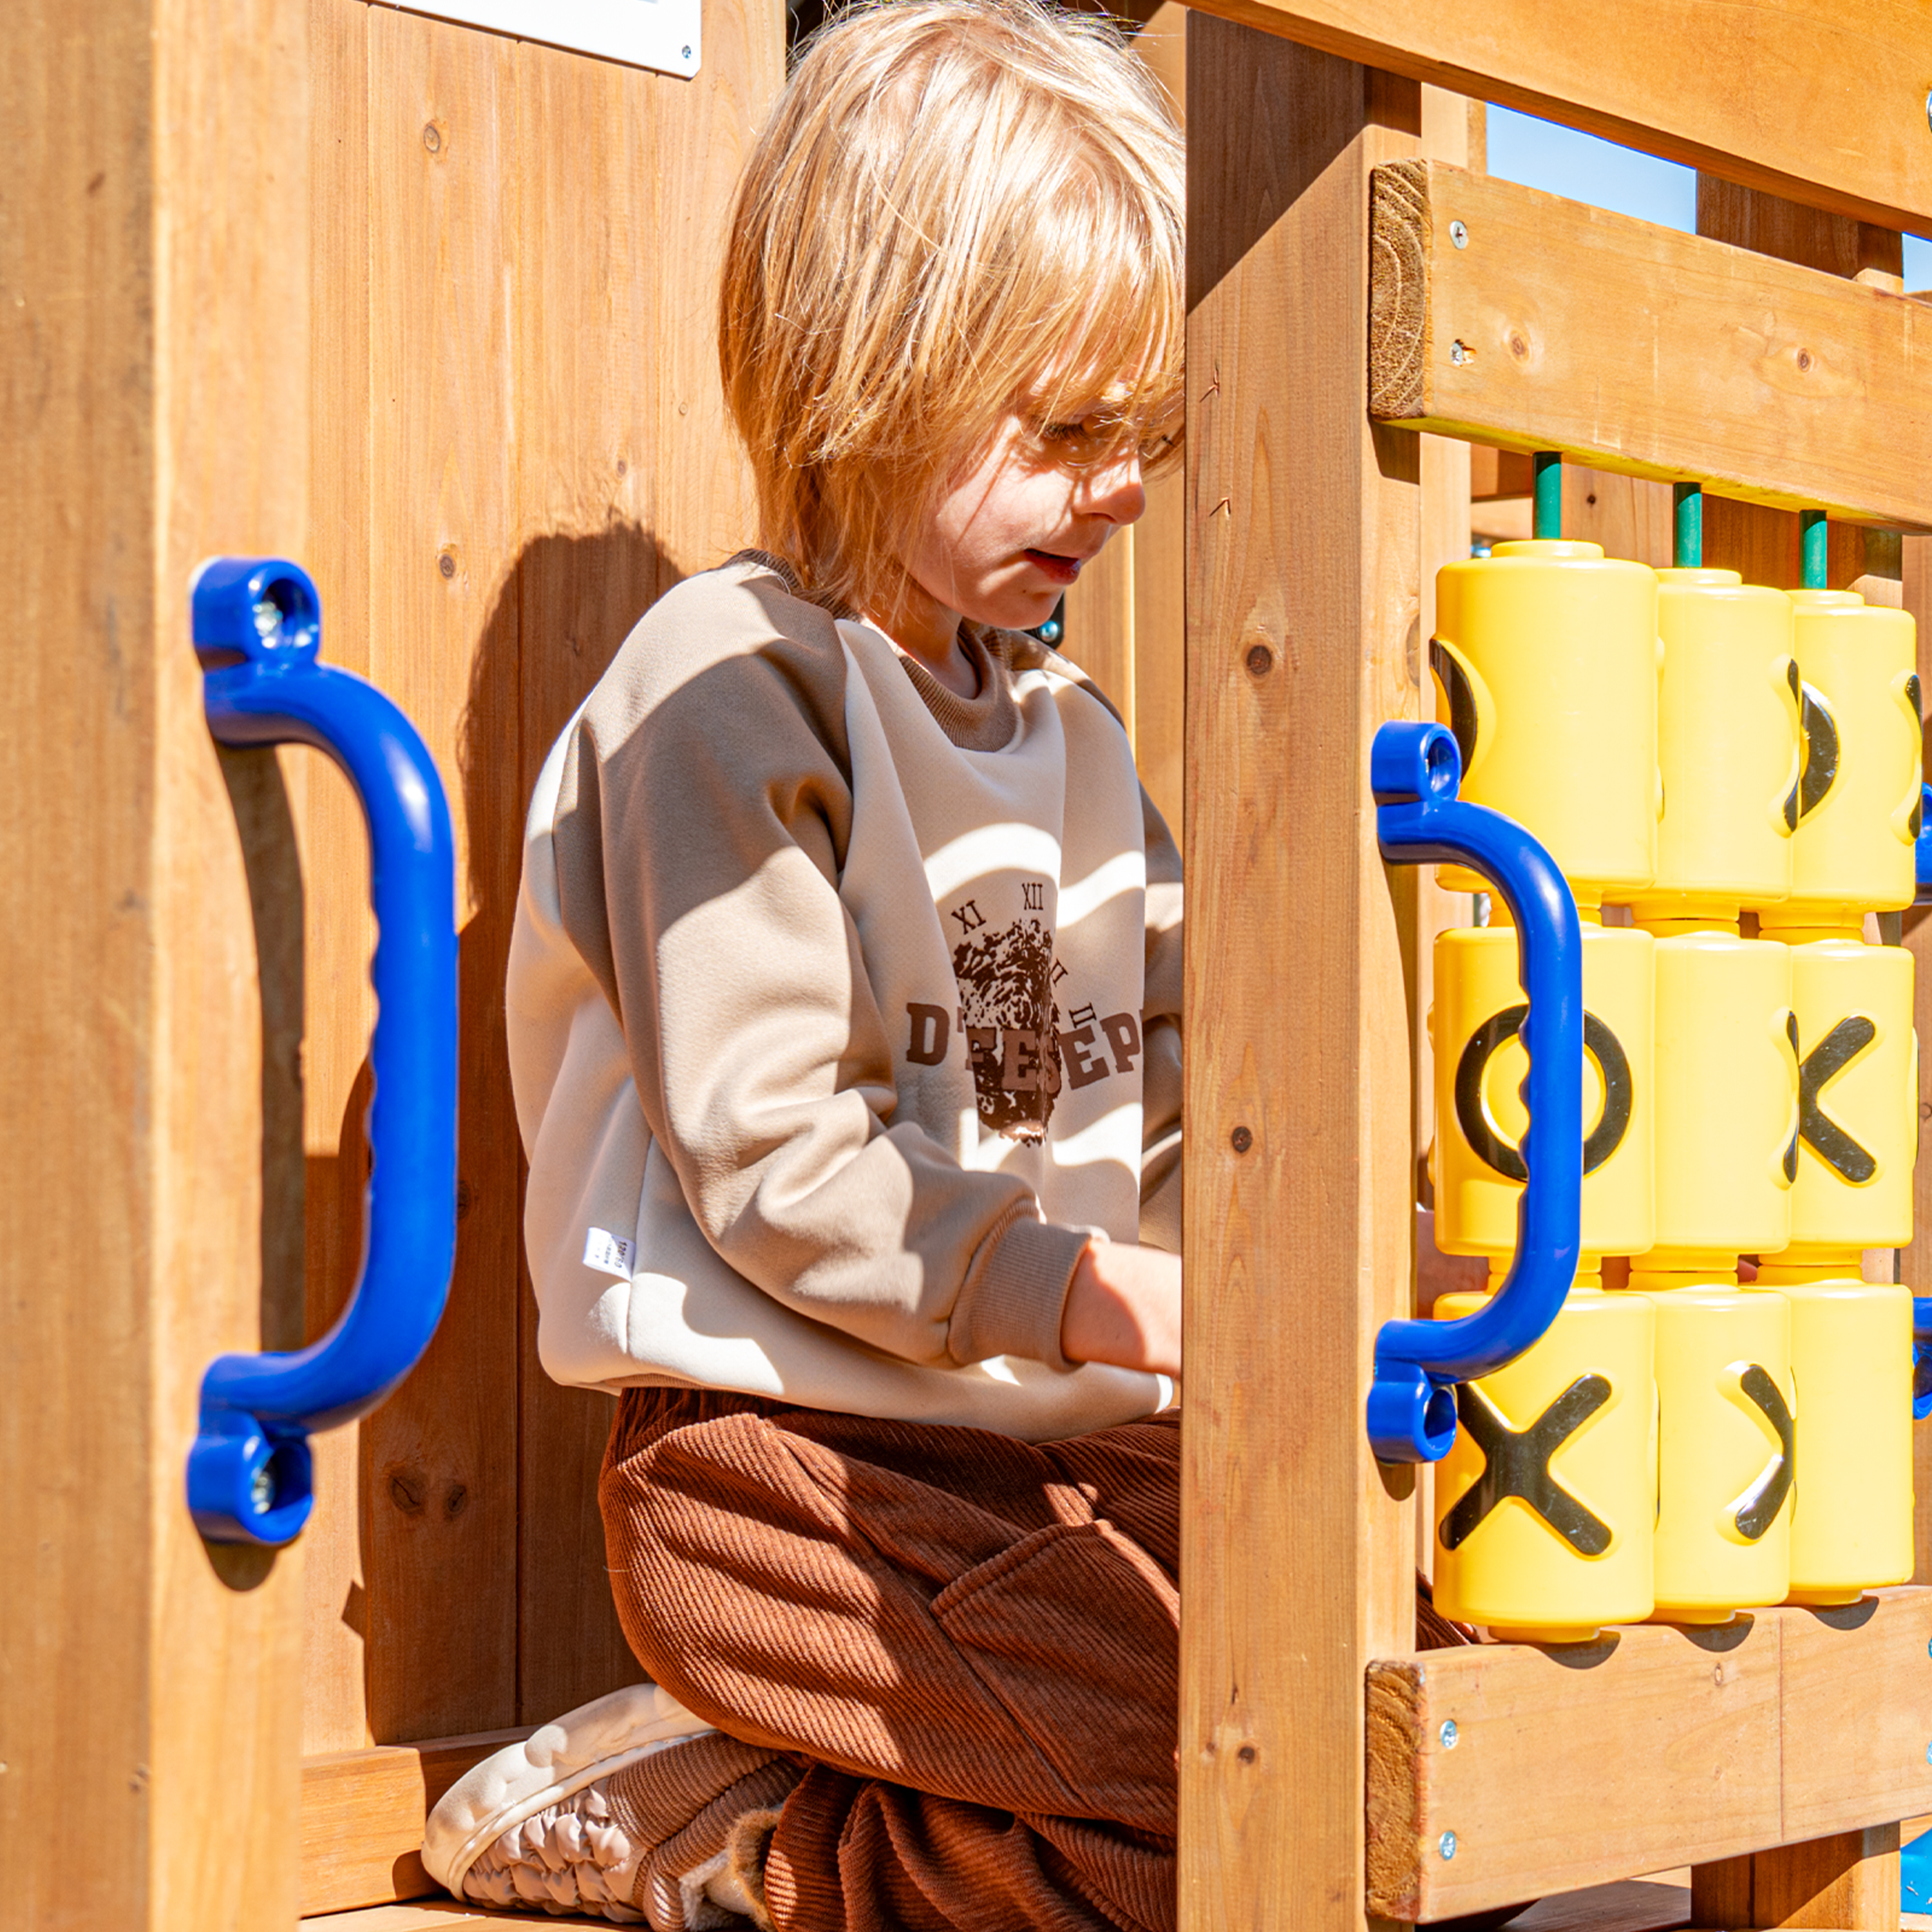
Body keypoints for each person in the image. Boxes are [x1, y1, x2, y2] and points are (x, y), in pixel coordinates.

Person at [425, 3, 1188, 1924]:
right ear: (876, 371)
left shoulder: (1074, 731)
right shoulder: (732, 688)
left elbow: (1175, 1089)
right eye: (1070, 430)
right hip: (778, 1463)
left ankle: (836, 1791)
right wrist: (1077, 1289)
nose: (1120, 486)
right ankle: (744, 1838)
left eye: (1142, 436)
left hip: (1041, 1440)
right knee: (1220, 1785)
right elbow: (773, 1156)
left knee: (1385, 1734)